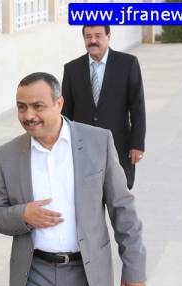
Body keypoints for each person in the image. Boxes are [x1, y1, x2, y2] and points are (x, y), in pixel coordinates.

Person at [0, 72, 146, 286]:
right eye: (21, 107)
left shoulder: (97, 141)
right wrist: (23, 215)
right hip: (35, 277)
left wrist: (134, 268)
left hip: (86, 275)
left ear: (59, 103)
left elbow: (123, 208)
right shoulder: (7, 155)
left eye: (37, 106)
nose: (28, 115)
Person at [62, 25, 146, 190]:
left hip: (118, 145)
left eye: (98, 35)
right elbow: (66, 113)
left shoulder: (127, 64)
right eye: (88, 36)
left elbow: (137, 108)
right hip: (84, 148)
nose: (93, 40)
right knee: (88, 194)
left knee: (119, 194)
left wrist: (137, 143)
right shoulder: (72, 69)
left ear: (109, 36)